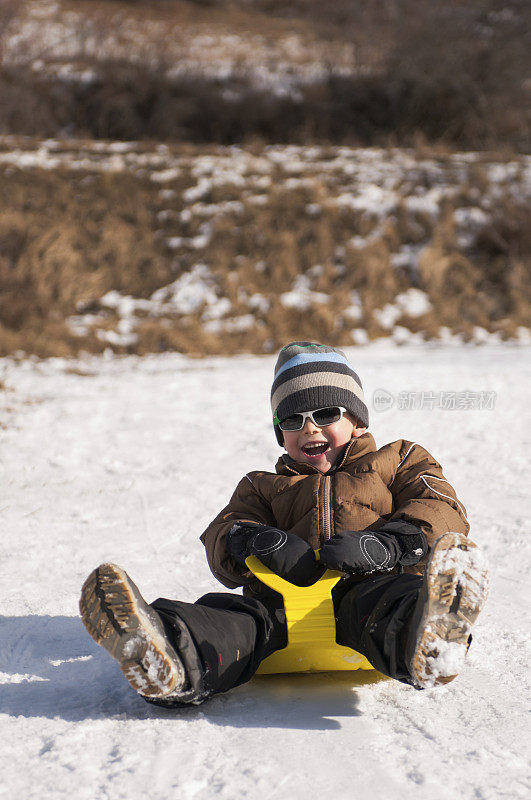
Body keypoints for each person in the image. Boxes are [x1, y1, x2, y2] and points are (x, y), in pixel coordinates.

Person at [80, 341, 489, 706]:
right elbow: (222, 534)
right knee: (229, 622)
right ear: (281, 433)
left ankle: (429, 638)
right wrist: (255, 540)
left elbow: (440, 504)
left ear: (358, 421)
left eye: (326, 413)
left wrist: (391, 544)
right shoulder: (263, 485)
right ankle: (165, 652)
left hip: (368, 587)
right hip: (277, 605)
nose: (309, 427)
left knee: (396, 602)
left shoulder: (397, 460)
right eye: (292, 420)